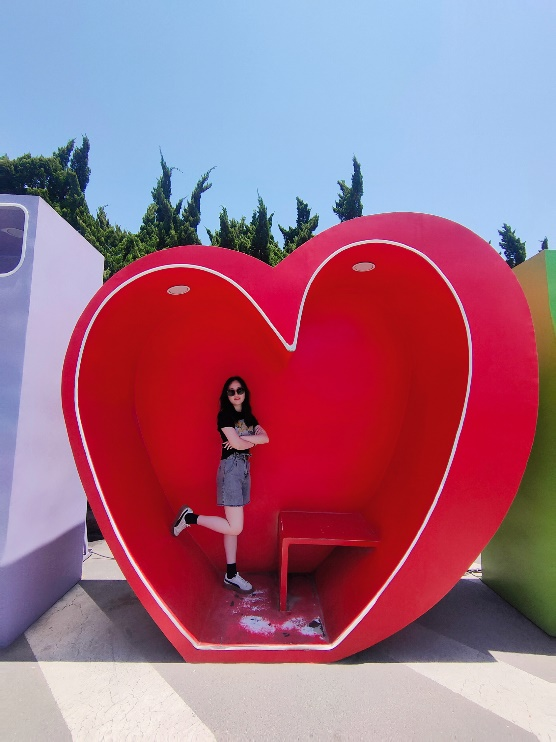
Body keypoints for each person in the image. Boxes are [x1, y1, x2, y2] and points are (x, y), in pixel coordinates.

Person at [172, 376, 269, 594]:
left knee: (231, 527)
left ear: (245, 393)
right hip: (231, 468)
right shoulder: (224, 415)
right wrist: (249, 439)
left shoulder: (249, 416)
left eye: (239, 390)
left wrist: (243, 439)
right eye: (231, 391)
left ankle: (231, 574)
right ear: (226, 395)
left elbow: (266, 438)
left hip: (244, 468)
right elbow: (237, 444)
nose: (236, 394)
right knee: (235, 527)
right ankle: (189, 518)